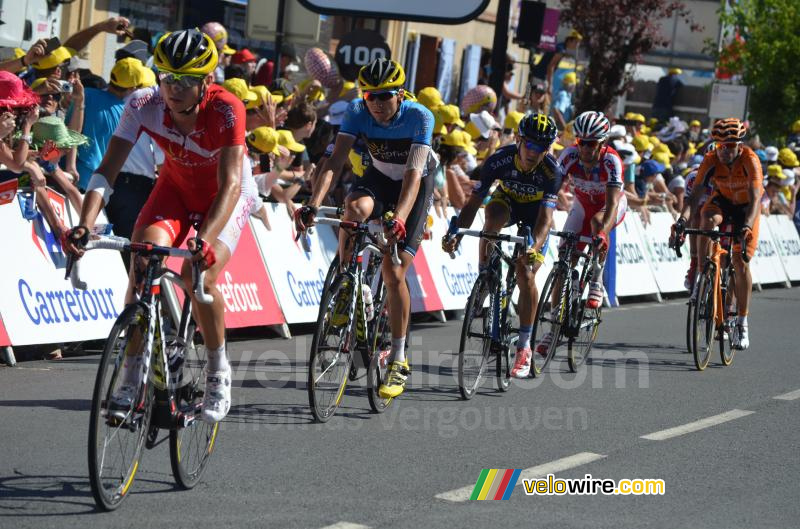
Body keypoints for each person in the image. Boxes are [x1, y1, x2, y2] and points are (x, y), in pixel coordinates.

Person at [62, 29, 254, 423]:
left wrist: (204, 238)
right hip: (176, 190)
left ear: (207, 82)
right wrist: (85, 223)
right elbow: (107, 169)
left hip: (226, 195)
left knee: (197, 275)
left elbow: (232, 183)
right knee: (141, 263)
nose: (174, 88)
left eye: (185, 80)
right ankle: (132, 376)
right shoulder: (143, 102)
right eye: (167, 77)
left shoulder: (227, 109)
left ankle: (218, 369)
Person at [295, 58, 434, 399]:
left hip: (414, 186)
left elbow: (413, 176)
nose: (376, 104)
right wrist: (313, 202)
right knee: (354, 210)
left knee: (394, 268)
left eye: (384, 96)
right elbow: (335, 160)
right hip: (380, 176)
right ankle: (346, 283)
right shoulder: (357, 110)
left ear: (400, 95)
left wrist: (399, 217)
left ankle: (399, 359)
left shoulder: (419, 116)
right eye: (370, 95)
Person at [443, 113, 562, 378]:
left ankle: (524, 346)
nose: (534, 152)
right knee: (492, 218)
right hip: (506, 201)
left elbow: (545, 220)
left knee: (526, 273)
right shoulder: (499, 159)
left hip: (535, 215)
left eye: (542, 147)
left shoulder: (552, 172)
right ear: (519, 140)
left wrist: (534, 248)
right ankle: (485, 276)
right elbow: (473, 203)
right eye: (530, 144)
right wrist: (458, 234)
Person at [673, 118, 762, 350]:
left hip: (746, 208)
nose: (724, 150)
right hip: (722, 202)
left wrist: (748, 226)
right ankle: (702, 272)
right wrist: (681, 220)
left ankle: (742, 321)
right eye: (720, 145)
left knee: (740, 262)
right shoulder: (711, 159)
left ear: (739, 145)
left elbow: (755, 200)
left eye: (730, 146)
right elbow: (694, 197)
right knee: (706, 218)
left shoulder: (750, 160)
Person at [550, 111, 624, 320]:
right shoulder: (569, 155)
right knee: (564, 257)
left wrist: (602, 234)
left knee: (598, 222)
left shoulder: (611, 161)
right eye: (581, 142)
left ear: (603, 143)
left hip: (608, 206)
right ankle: (555, 321)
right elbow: (551, 192)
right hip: (582, 204)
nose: (584, 148)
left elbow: (611, 204)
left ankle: (597, 278)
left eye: (591, 144)